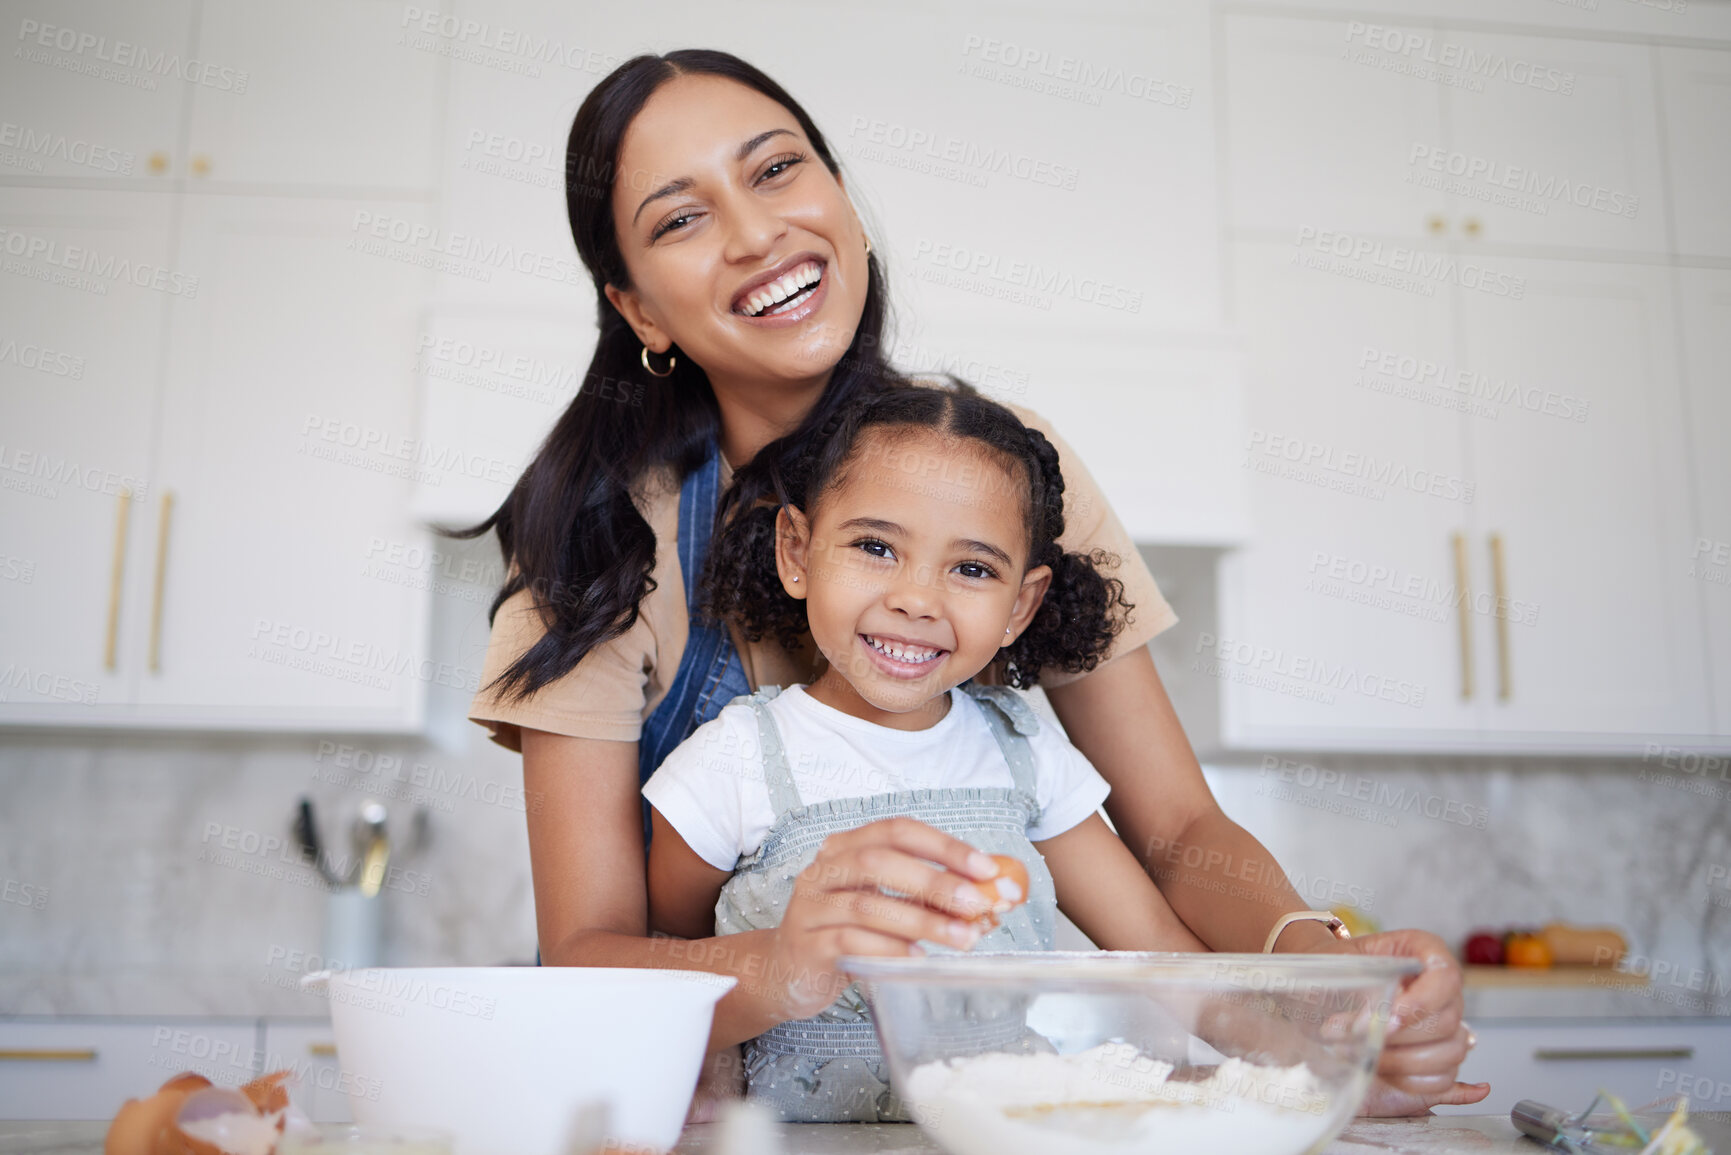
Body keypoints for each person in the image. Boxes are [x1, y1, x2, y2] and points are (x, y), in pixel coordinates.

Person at [448, 48, 1487, 1119]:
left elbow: (1175, 832)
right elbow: (590, 956)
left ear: (842, 201)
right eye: (681, 218)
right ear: (640, 310)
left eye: (775, 171)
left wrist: (1324, 993)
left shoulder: (1008, 467)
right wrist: (781, 962)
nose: (757, 234)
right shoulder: (598, 541)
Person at [639, 381, 1211, 1121]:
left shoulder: (1023, 753)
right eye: (875, 546)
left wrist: (1302, 1050)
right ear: (797, 551)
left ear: (1020, 605)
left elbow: (1159, 950)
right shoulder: (733, 763)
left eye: (971, 568)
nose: (917, 598)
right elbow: (662, 960)